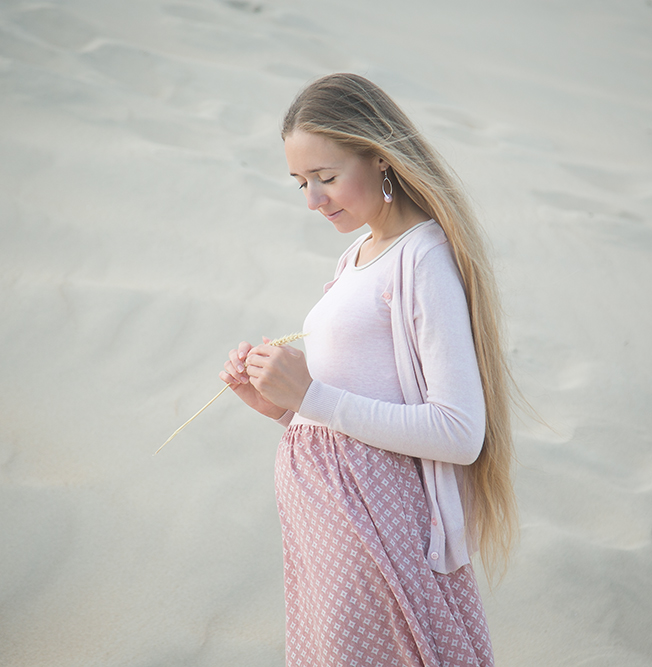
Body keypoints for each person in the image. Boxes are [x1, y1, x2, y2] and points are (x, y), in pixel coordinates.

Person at [220, 73, 517, 667]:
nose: (313, 199)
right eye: (301, 182)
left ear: (380, 156)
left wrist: (313, 397)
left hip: (372, 532)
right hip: (324, 533)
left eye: (326, 177)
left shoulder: (423, 258)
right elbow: (358, 409)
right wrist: (283, 408)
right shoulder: (354, 256)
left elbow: (459, 431)